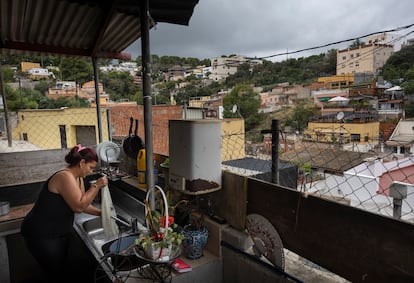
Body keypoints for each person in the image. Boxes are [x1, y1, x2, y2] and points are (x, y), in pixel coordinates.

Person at [21, 144, 108, 283]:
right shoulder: (64, 176)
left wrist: (102, 213)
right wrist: (96, 186)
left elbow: (83, 204)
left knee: (60, 270)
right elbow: (78, 207)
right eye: (91, 167)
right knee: (55, 274)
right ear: (82, 162)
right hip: (42, 235)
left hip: (55, 233)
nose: (91, 171)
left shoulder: (77, 177)